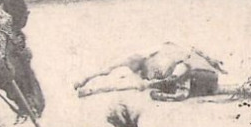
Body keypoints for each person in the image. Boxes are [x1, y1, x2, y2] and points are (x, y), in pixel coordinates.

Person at [74, 41, 226, 97]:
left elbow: (181, 76)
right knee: (120, 65)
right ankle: (88, 78)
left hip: (162, 65)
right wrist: (213, 61)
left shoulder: (189, 73)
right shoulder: (190, 61)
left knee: (134, 83)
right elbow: (194, 51)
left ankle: (93, 87)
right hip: (160, 54)